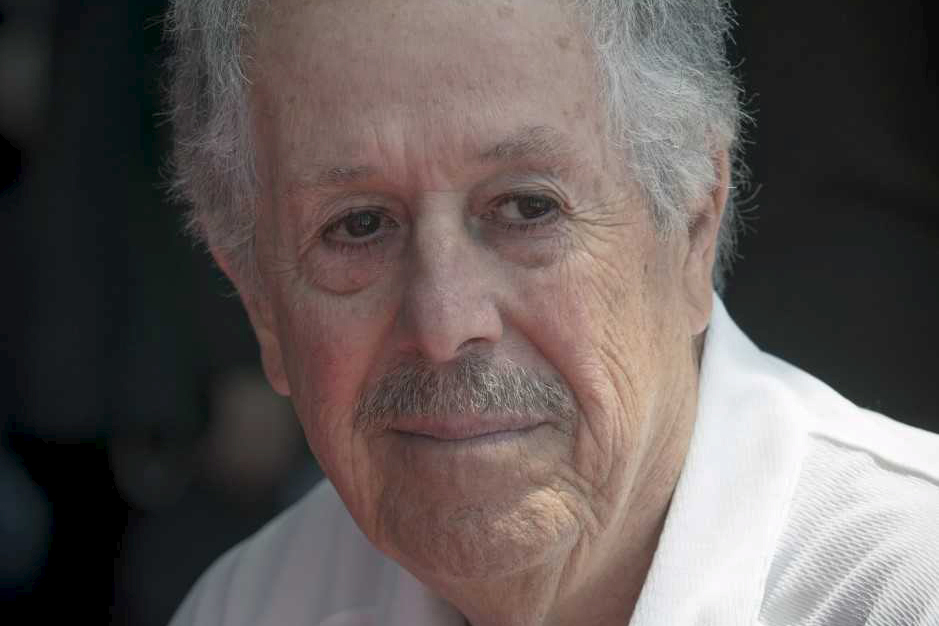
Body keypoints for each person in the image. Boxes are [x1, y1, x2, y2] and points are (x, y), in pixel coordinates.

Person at [163, 0, 939, 624]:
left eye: (527, 208)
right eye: (358, 225)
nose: (444, 324)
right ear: (261, 306)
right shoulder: (252, 605)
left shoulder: (909, 589)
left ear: (692, 225)